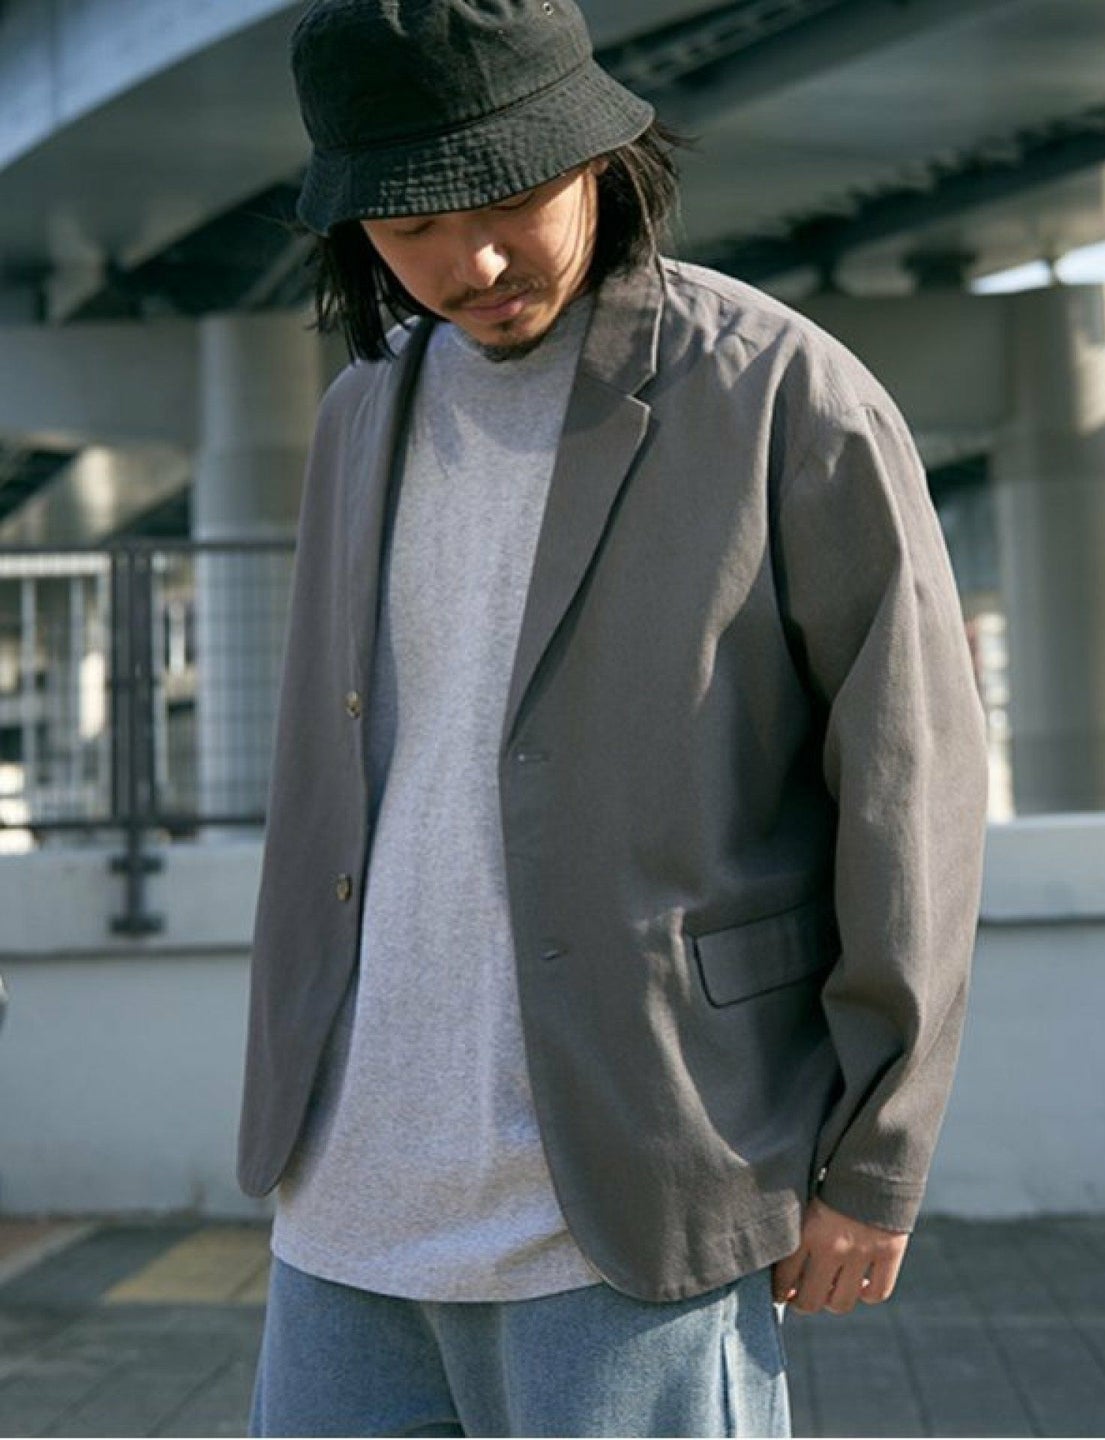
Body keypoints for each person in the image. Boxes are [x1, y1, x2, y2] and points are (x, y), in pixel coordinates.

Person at [239, 1, 989, 1434]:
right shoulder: (359, 413)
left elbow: (915, 790)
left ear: (596, 158)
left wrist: (876, 1152)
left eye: (507, 200)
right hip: (343, 1200)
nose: (472, 263)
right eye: (413, 224)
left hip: (636, 1191)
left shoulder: (777, 394)